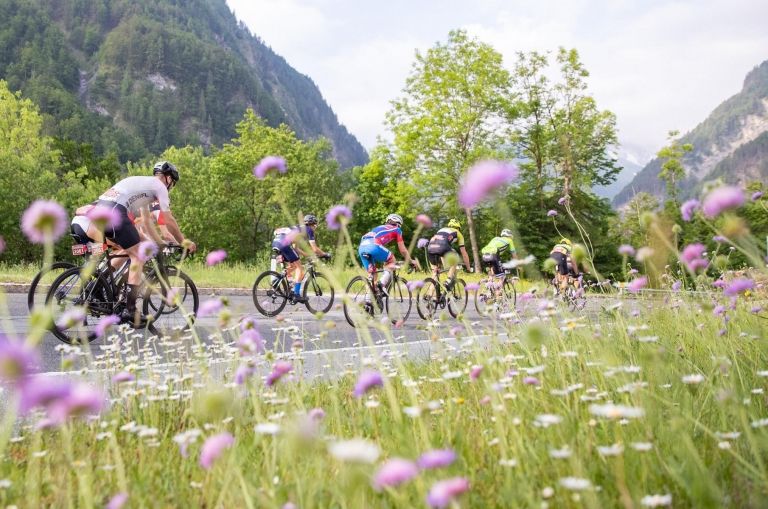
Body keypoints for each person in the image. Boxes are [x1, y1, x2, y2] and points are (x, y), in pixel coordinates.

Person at [91, 161, 196, 325]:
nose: (171, 187)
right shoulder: (160, 187)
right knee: (138, 255)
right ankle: (130, 309)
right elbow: (168, 219)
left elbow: (146, 222)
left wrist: (159, 243)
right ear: (168, 178)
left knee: (128, 249)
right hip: (116, 212)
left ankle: (99, 285)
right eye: (173, 183)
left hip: (100, 211)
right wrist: (184, 241)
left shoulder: (145, 187)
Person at [272, 214, 330, 303]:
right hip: (284, 243)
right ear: (312, 224)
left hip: (276, 242)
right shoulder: (309, 229)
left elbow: (296, 249)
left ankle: (278, 280)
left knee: (294, 265)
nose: (315, 227)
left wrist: (308, 255)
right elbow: (315, 249)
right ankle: (296, 294)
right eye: (315, 225)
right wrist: (325, 254)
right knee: (300, 268)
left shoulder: (299, 229)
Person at [357, 213, 415, 295]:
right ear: (399, 224)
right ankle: (382, 284)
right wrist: (411, 261)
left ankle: (368, 299)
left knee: (372, 276)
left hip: (362, 247)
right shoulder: (397, 230)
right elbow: (403, 250)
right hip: (373, 245)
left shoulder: (379, 227)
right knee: (392, 260)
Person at [426, 218, 472, 290]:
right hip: (442, 247)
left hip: (430, 248)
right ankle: (448, 280)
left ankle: (429, 294)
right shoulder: (458, 233)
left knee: (435, 274)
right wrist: (468, 268)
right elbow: (464, 253)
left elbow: (440, 248)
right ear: (458, 228)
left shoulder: (441, 230)